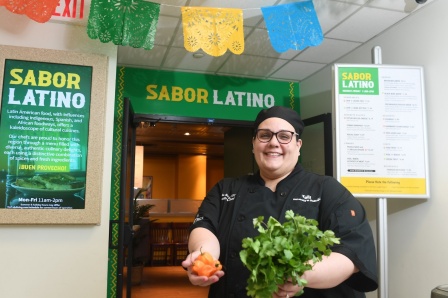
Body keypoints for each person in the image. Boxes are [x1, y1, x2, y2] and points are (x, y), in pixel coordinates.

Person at [182, 106, 378, 297]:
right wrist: (203, 257)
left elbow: (351, 252)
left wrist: (299, 275)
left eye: (284, 136)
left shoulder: (327, 190)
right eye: (265, 135)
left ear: (298, 145)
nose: (274, 143)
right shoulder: (226, 189)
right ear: (253, 143)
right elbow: (204, 226)